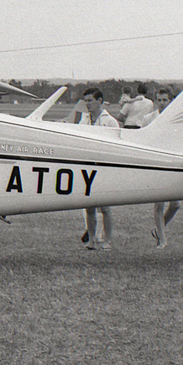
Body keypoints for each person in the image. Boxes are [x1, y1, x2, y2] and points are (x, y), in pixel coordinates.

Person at [77, 88, 119, 250]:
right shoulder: (84, 120)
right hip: (87, 168)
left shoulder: (110, 121)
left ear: (100, 101)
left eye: (90, 101)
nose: (87, 104)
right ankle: (92, 239)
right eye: (86, 101)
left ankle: (107, 239)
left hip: (104, 168)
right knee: (89, 207)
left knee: (105, 207)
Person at [143, 88, 180, 248]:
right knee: (159, 204)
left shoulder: (177, 119)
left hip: (173, 164)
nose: (162, 103)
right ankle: (162, 240)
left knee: (176, 204)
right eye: (159, 99)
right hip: (156, 164)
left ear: (171, 100)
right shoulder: (148, 119)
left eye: (165, 100)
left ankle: (159, 230)